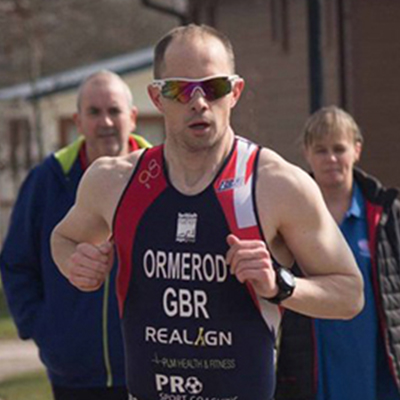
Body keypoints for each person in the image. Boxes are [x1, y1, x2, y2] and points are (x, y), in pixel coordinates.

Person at [50, 25, 364, 400]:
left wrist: (281, 284)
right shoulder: (114, 181)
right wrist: (76, 265)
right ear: (157, 96)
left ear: (235, 92)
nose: (199, 102)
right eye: (182, 89)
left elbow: (350, 294)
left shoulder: (277, 185)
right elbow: (63, 238)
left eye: (213, 88)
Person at [0, 70, 151, 400]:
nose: (106, 122)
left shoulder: (160, 176)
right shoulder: (47, 180)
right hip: (74, 374)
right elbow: (16, 263)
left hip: (150, 368)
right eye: (94, 113)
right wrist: (44, 329)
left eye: (114, 111)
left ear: (133, 117)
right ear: (78, 121)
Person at [275, 106, 400, 400]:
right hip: (311, 363)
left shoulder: (385, 213)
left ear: (357, 151)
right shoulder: (287, 212)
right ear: (306, 153)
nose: (331, 159)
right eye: (320, 150)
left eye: (339, 149)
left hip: (374, 361)